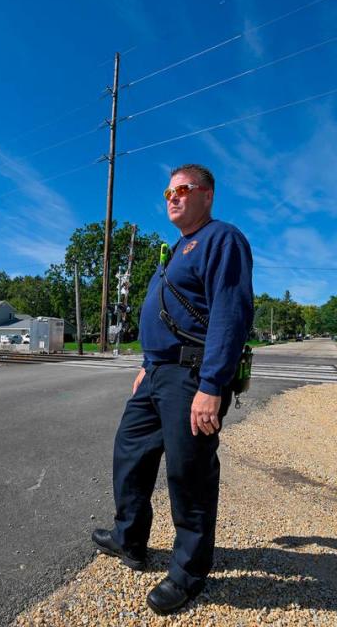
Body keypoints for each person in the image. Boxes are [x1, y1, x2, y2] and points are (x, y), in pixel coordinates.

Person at [92, 164, 254, 615]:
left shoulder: (222, 239)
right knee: (130, 454)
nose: (172, 197)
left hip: (193, 377)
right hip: (157, 374)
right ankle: (131, 539)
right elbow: (164, 314)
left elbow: (230, 314)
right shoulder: (176, 249)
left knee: (189, 474)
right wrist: (147, 364)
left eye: (183, 189)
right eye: (167, 191)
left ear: (207, 195)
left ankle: (189, 572)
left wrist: (212, 385)